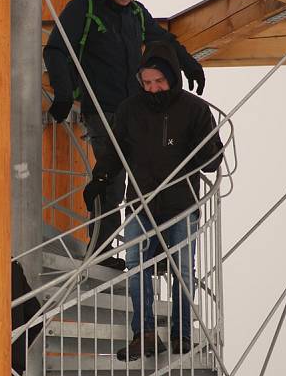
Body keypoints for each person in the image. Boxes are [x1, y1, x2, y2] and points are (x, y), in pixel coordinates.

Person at [44, 0, 205, 269]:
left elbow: (164, 41)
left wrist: (189, 64)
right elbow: (56, 48)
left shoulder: (136, 14)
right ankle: (101, 255)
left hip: (137, 113)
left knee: (152, 178)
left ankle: (155, 254)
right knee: (111, 180)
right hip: (102, 112)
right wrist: (63, 93)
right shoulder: (86, 10)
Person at [83, 42, 223, 359]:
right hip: (140, 203)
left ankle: (181, 335)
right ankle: (144, 333)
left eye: (158, 81)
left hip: (181, 205)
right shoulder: (131, 110)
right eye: (147, 83)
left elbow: (213, 158)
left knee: (182, 271)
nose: (153, 88)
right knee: (137, 267)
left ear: (172, 77)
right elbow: (115, 152)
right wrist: (100, 178)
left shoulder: (195, 110)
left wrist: (204, 153)